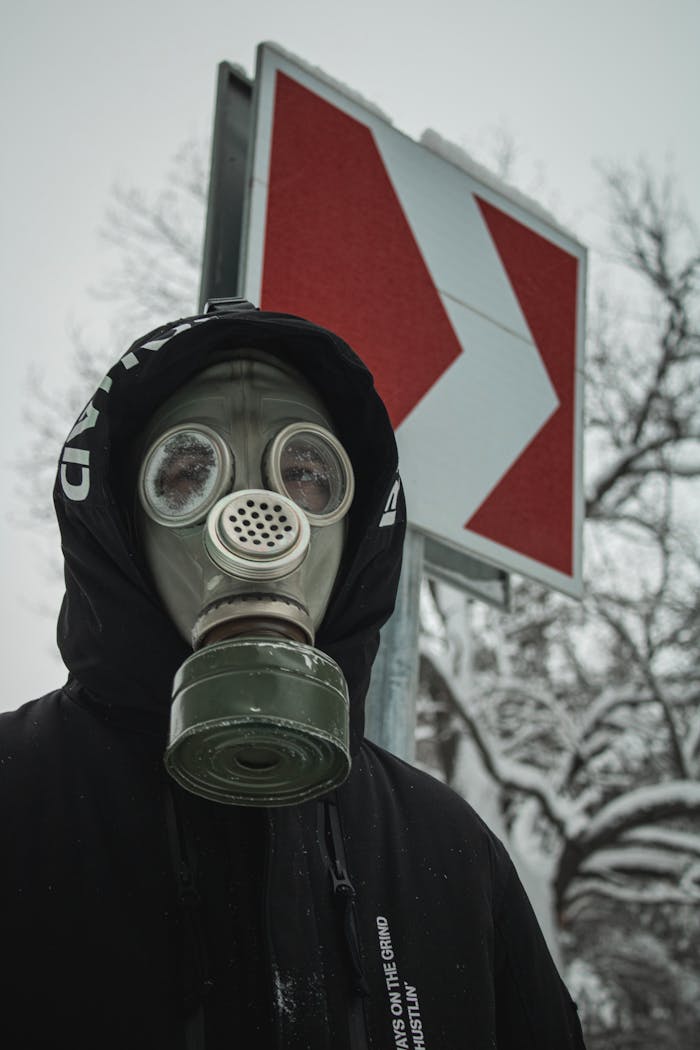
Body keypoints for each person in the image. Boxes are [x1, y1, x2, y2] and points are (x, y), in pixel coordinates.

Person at [0, 303, 586, 1049]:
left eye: (307, 474)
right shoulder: (16, 800)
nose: (259, 516)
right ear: (121, 524)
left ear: (359, 521)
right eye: (186, 473)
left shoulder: (454, 856)